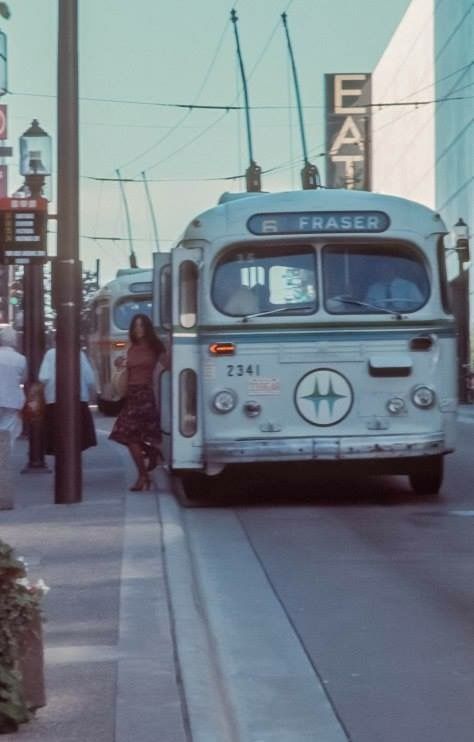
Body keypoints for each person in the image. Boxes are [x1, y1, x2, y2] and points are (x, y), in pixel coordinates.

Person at [109, 313, 166, 491]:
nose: (138, 329)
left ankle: (143, 476)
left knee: (129, 436)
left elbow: (169, 363)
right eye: (135, 326)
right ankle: (150, 454)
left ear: (147, 328)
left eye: (141, 326)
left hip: (144, 394)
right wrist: (120, 363)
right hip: (131, 395)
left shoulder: (155, 347)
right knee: (123, 434)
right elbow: (125, 367)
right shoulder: (131, 348)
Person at [39, 345, 97, 456]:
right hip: (78, 399)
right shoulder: (79, 353)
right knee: (77, 436)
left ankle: (63, 462)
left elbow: (43, 377)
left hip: (53, 400)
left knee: (56, 437)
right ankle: (72, 462)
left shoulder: (50, 354)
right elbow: (90, 379)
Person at [0, 325, 27, 450]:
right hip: (12, 399)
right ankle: (2, 458)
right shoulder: (21, 359)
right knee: (7, 431)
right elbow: (24, 379)